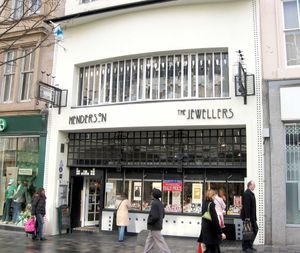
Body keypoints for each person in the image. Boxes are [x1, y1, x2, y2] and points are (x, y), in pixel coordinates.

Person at [143, 188, 171, 253]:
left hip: (154, 225)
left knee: (160, 241)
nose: (151, 195)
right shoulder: (159, 203)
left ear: (153, 195)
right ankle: (145, 251)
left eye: (151, 193)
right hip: (157, 224)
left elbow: (154, 216)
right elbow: (163, 214)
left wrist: (149, 221)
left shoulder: (154, 203)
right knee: (149, 240)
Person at [240, 180, 258, 252]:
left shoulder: (250, 193)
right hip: (248, 217)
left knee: (253, 230)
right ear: (250, 185)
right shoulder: (247, 193)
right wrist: (247, 218)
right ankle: (245, 247)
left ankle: (249, 245)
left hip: (252, 217)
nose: (254, 186)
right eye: (254, 185)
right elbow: (246, 207)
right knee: (248, 232)